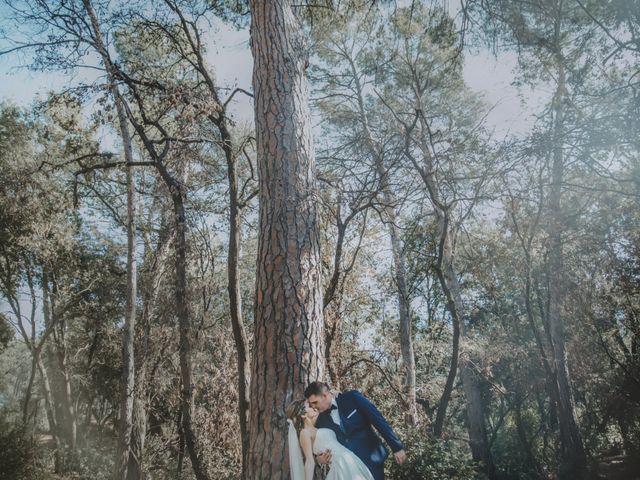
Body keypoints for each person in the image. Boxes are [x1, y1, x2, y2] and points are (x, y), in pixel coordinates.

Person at [304, 381, 406, 480]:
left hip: (371, 461)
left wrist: (396, 447)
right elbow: (319, 449)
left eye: (315, 402)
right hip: (348, 469)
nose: (314, 406)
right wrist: (320, 459)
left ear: (325, 395)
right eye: (311, 404)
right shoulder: (320, 421)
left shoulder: (352, 398)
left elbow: (377, 419)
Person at [285, 398, 375, 480]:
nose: (314, 407)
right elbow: (309, 461)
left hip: (350, 460)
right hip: (340, 464)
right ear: (303, 415)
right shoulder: (304, 433)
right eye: (309, 406)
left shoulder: (318, 426)